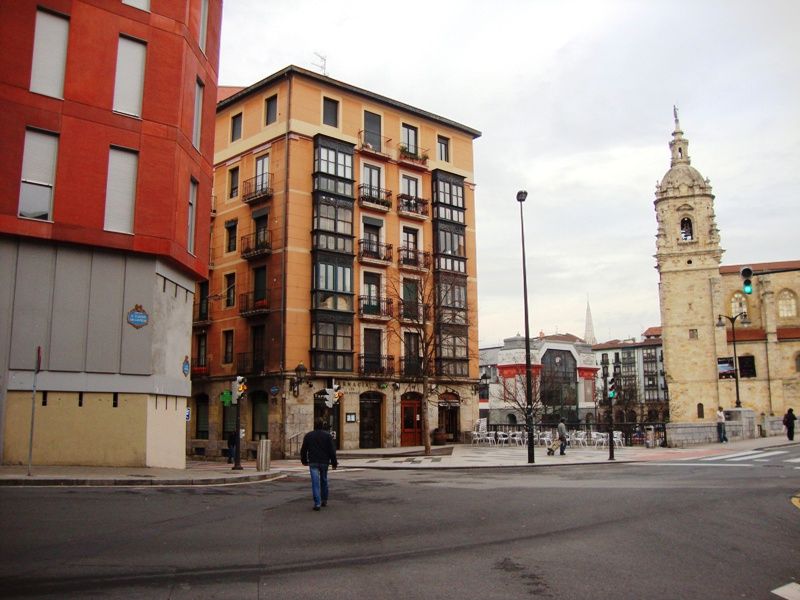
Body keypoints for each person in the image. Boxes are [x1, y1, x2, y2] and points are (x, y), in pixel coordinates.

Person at [300, 418, 338, 511]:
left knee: (315, 483)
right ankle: (324, 499)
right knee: (324, 480)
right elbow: (332, 451)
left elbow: (303, 450)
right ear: (322, 425)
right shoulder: (327, 436)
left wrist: (304, 460)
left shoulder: (309, 435)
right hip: (324, 461)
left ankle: (317, 503)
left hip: (313, 461)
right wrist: (334, 463)